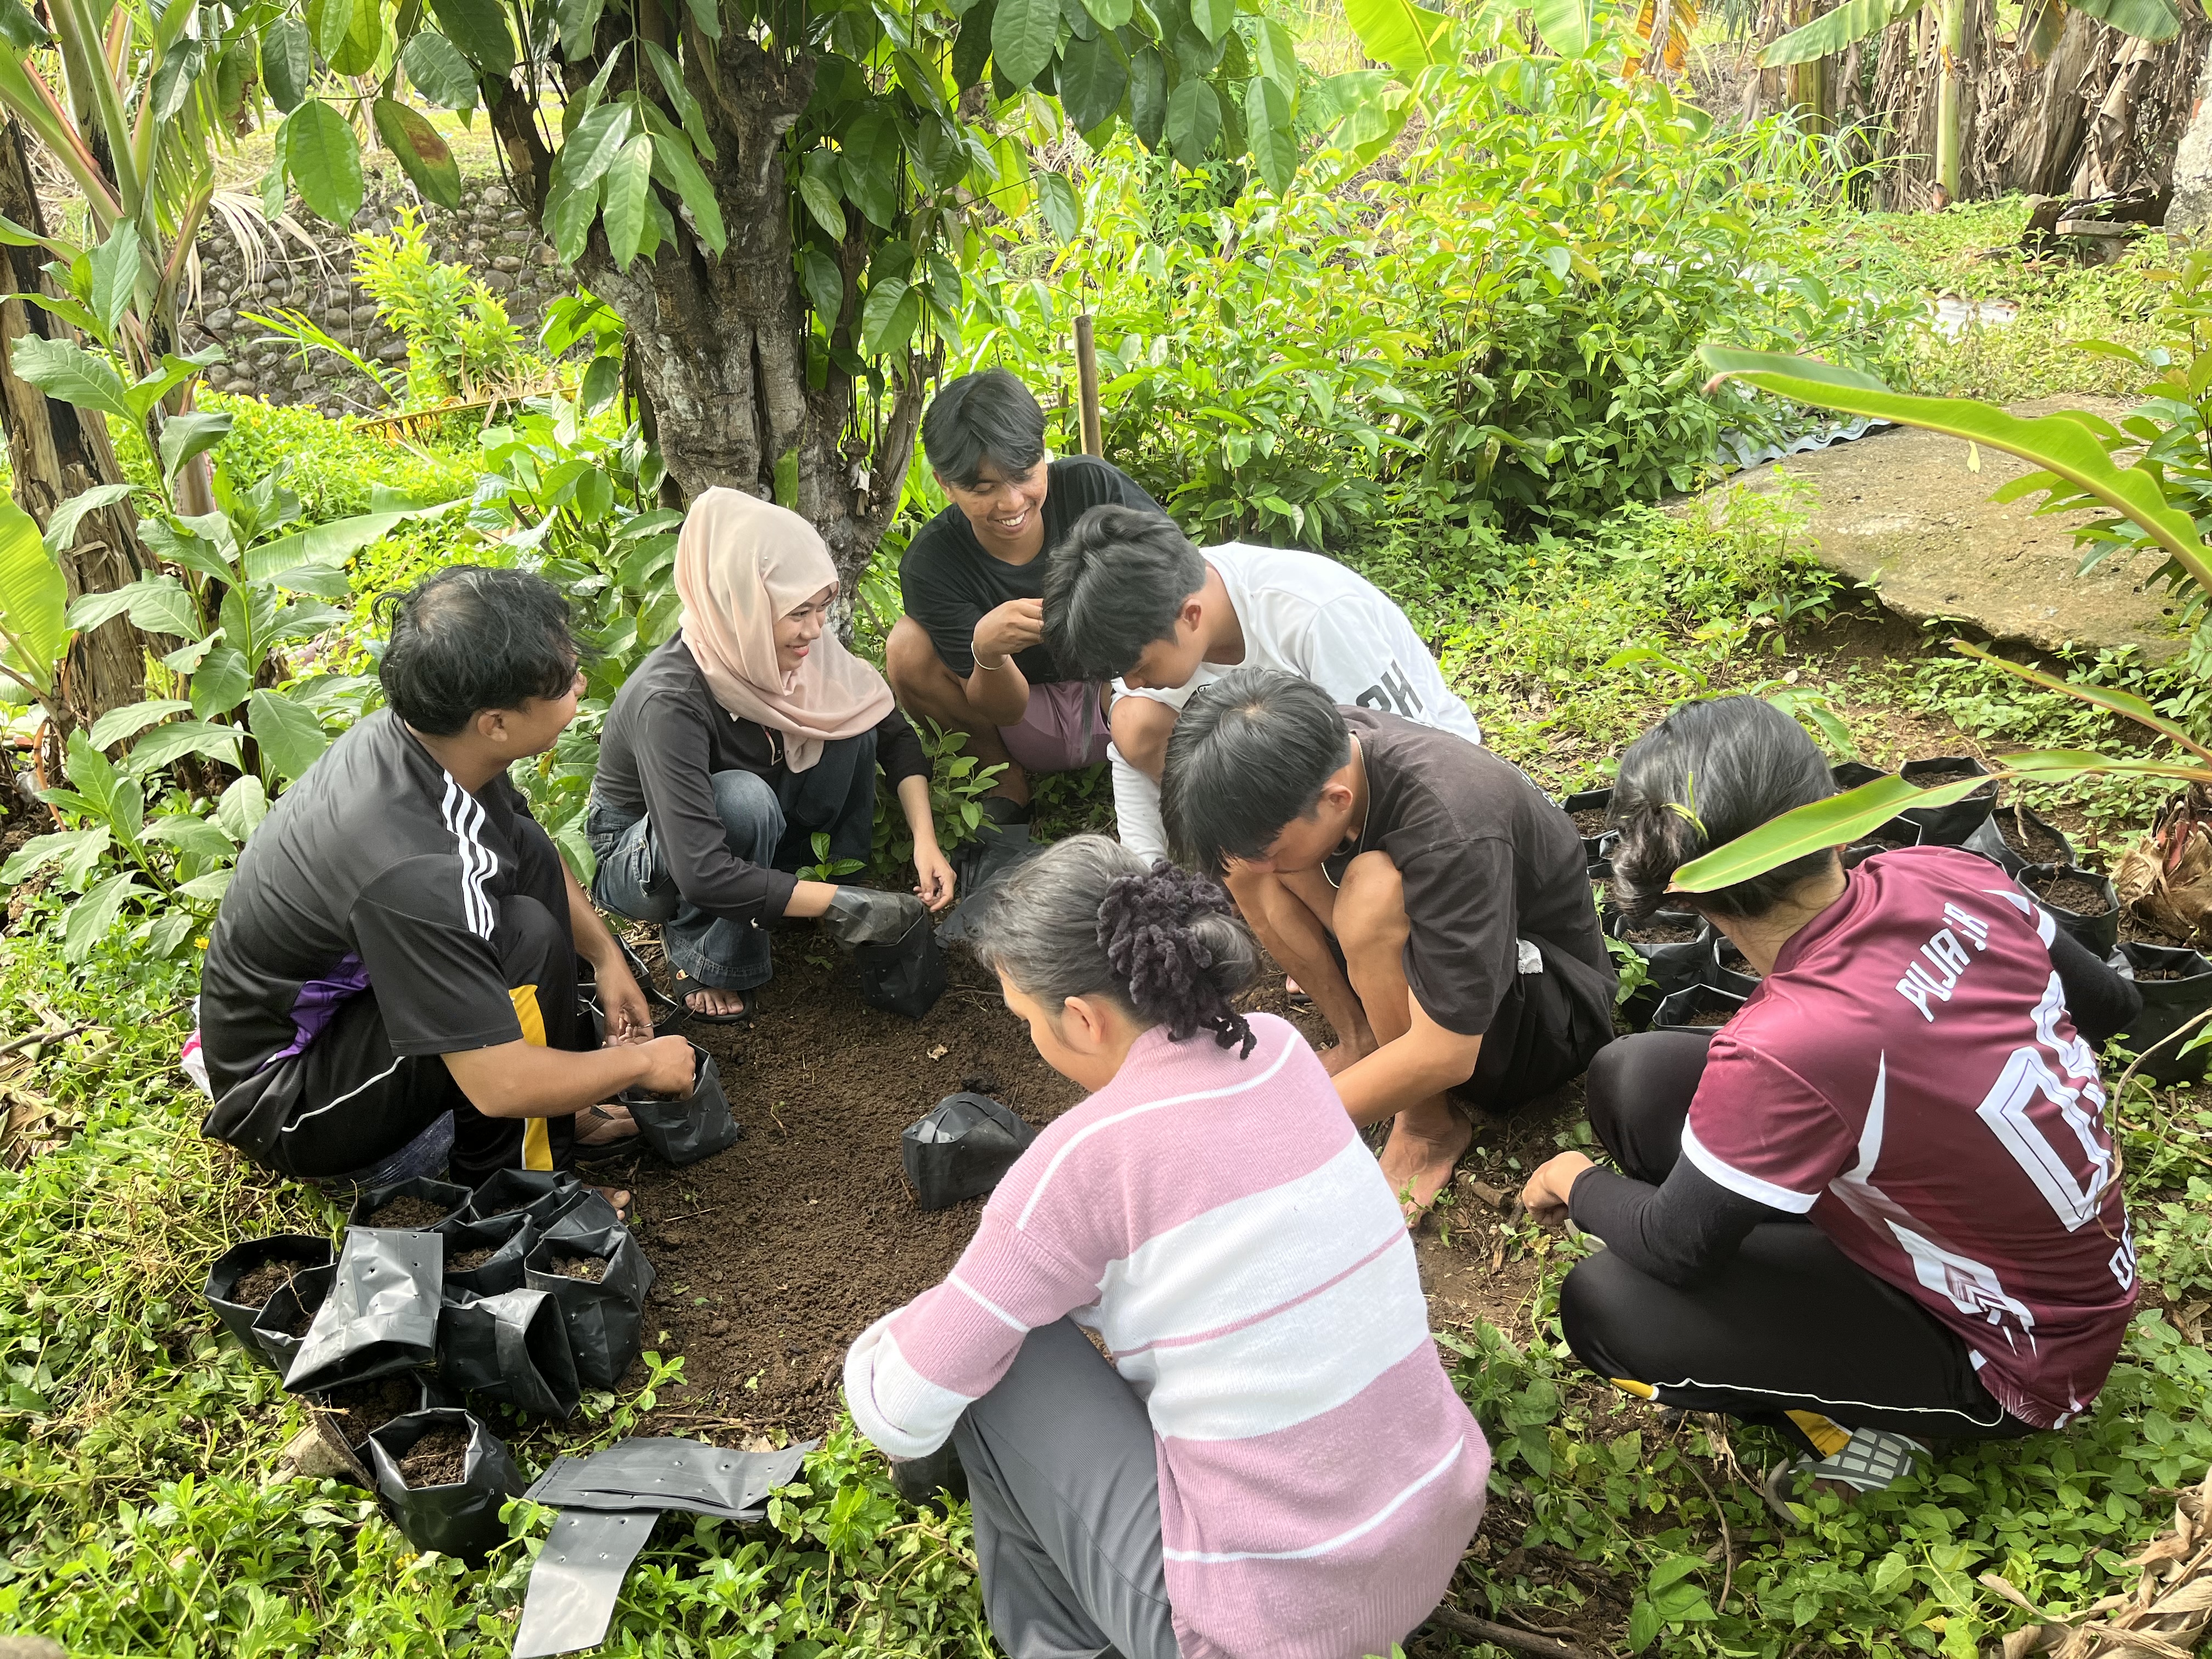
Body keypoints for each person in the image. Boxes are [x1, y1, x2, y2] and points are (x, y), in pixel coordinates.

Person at [843, 837, 1489, 1659]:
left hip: (1264, 1627)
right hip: (1425, 1538)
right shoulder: (1277, 1049)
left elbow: (902, 1412)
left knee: (1000, 1358)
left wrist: (895, 1339)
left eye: (1026, 1021)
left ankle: (1069, 1645)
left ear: (1083, 1018)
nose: (1031, 1037)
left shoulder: (1082, 1159)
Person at [1519, 698, 2142, 1500]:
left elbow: (1675, 1247)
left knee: (1608, 1305)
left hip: (2012, 1355)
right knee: (1634, 1079)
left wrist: (1571, 1179)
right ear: (1833, 821)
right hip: (2060, 1271)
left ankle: (1864, 1429)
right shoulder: (1944, 872)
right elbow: (2113, 1006)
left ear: (1682, 890)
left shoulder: (1789, 1047)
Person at [199, 567, 699, 1198]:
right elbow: (500, 1085)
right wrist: (640, 1062)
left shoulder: (436, 742)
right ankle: (515, 1196)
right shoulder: (415, 869)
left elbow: (529, 848)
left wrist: (605, 958)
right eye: (565, 681)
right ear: (496, 722)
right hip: (293, 1101)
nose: (580, 685)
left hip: (354, 1015)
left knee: (527, 870)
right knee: (522, 940)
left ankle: (559, 1107)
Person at [1160, 668, 1616, 1214]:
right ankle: (1363, 1042)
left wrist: (1271, 1131)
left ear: (1337, 800)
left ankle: (1427, 1125)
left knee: (1371, 891)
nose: (1266, 866)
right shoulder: (1322, 747)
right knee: (1245, 862)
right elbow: (1254, 856)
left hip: (1543, 1020)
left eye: (1274, 850)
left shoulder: (1454, 826)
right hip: (1447, 956)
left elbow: (1449, 1053)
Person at [588, 489, 952, 1019]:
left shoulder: (798, 649)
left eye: (822, 608)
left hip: (747, 821)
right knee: (741, 801)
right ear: (743, 606)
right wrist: (844, 906)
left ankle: (808, 889)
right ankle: (704, 954)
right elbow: (701, 871)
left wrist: (925, 841)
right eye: (798, 612)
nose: (815, 630)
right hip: (649, 851)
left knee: (852, 724)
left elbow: (893, 735)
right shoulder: (670, 699)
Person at [1042, 504, 1485, 863]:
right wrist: (1146, 873)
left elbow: (1408, 756)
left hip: (1410, 782)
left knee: (1367, 897)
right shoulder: (1156, 603)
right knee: (1134, 720)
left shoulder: (1314, 614)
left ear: (1191, 616)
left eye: (1136, 666)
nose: (1130, 681)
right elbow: (1129, 752)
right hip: (1292, 785)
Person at [886, 370, 1165, 826]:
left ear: (1043, 452)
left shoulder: (1094, 488)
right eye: (983, 489)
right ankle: (1003, 779)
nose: (1012, 503)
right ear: (945, 484)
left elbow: (1177, 578)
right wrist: (988, 653)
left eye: (1024, 475)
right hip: (1025, 720)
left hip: (1124, 684)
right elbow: (1006, 709)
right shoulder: (932, 564)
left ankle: (1180, 766)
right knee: (906, 647)